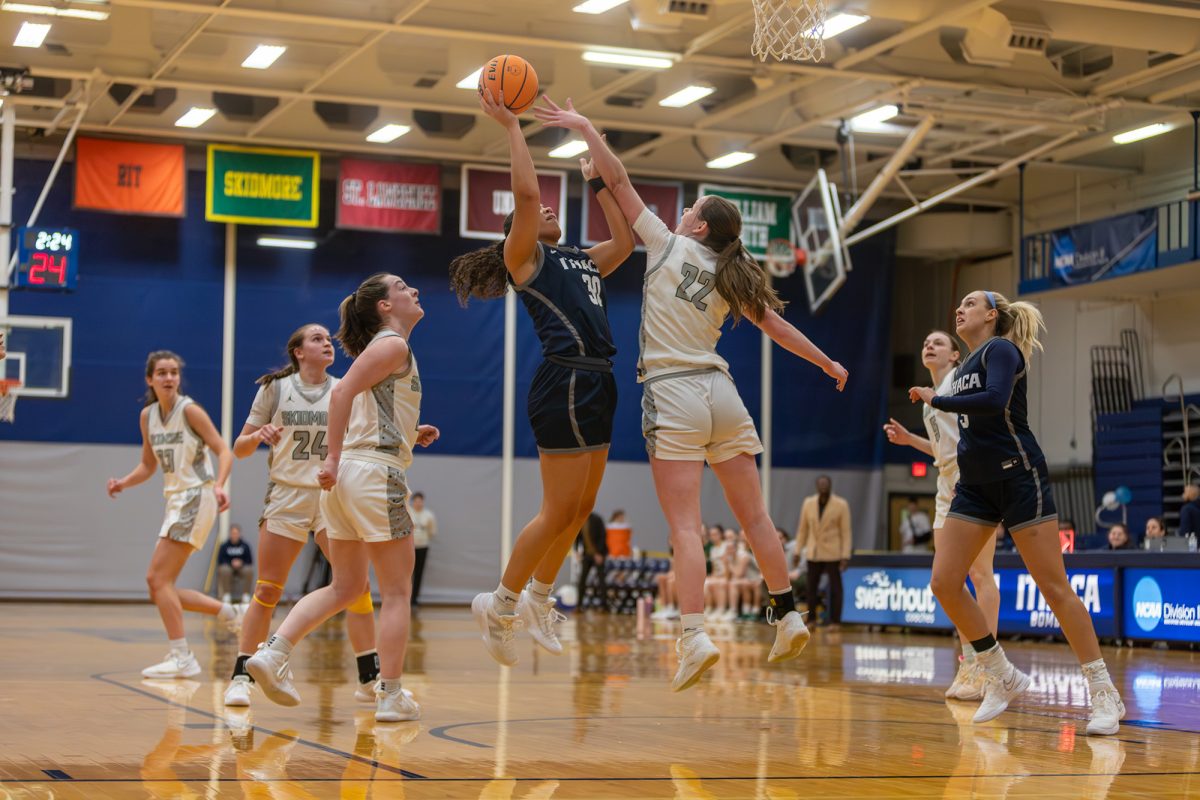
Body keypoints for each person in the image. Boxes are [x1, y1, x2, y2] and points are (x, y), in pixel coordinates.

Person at [536, 96, 848, 691]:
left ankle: (694, 634)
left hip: (674, 391)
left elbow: (621, 179)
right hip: (722, 391)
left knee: (686, 526)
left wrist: (584, 129)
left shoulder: (666, 244)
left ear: (698, 226)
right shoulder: (733, 275)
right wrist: (828, 361)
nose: (679, 214)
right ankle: (787, 615)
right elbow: (779, 330)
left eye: (690, 210)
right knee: (755, 518)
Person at [453, 87, 634, 666]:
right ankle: (500, 603)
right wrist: (511, 127)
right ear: (520, 230)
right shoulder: (526, 259)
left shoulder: (580, 258)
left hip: (600, 381)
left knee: (581, 510)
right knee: (556, 511)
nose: (550, 210)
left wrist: (601, 185)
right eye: (539, 215)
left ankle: (538, 598)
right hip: (565, 381)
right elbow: (528, 192)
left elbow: (628, 242)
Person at [910, 290, 1123, 735]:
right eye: (958, 304)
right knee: (944, 582)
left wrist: (937, 400)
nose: (959, 309)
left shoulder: (1001, 350)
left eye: (969, 303)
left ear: (991, 315)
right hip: (974, 486)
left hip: (1019, 476)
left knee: (1053, 586)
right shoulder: (960, 367)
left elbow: (993, 400)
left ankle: (1103, 692)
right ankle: (1000, 672)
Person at [246, 273, 440, 723]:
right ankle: (389, 695)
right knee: (395, 592)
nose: (414, 289)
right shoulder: (392, 345)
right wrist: (331, 457)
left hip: (351, 477)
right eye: (402, 286)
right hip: (372, 473)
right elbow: (342, 395)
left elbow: (365, 407)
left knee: (347, 587)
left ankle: (274, 654)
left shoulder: (384, 350)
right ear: (384, 307)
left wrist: (409, 432)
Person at [223, 324, 381, 709]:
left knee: (357, 585)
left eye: (329, 339)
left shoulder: (345, 387)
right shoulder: (275, 389)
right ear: (298, 351)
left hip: (332, 494)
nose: (327, 343)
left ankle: (369, 679)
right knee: (267, 590)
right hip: (287, 494)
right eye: (317, 339)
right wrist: (258, 435)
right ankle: (242, 676)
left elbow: (371, 434)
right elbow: (238, 448)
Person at [883, 329, 1002, 702]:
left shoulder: (960, 383)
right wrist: (910, 441)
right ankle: (969, 661)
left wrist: (972, 476)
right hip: (945, 486)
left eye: (937, 342)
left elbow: (974, 435)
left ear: (954, 356)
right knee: (949, 582)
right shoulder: (927, 400)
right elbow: (940, 450)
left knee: (980, 574)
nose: (928, 345)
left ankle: (988, 665)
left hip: (972, 483)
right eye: (925, 342)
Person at [107, 350, 240, 678]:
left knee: (157, 579)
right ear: (149, 379)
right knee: (160, 587)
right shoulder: (147, 416)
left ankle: (183, 657)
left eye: (173, 373)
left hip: (197, 494)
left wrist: (220, 485)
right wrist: (123, 483)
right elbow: (148, 465)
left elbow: (224, 450)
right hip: (177, 500)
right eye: (162, 373)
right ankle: (232, 612)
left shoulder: (190, 410)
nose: (169, 378)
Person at [796, 476, 852, 630]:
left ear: (830, 485)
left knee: (835, 588)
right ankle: (811, 619)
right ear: (816, 486)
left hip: (833, 552)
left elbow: (846, 532)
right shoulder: (808, 503)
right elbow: (802, 529)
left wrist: (845, 555)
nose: (823, 486)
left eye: (825, 484)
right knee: (810, 588)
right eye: (820, 484)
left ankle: (835, 621)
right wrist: (797, 551)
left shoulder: (841, 504)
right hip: (813, 551)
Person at [576, 511, 609, 611]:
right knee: (582, 580)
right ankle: (579, 606)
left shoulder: (597, 519)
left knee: (601, 580)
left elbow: (603, 536)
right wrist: (577, 550)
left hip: (599, 554)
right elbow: (577, 536)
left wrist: (599, 553)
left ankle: (604, 606)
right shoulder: (580, 520)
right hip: (587, 554)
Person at [409, 492, 437, 608]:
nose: (418, 503)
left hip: (423, 547)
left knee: (418, 573)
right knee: (407, 574)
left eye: (420, 501)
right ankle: (405, 598)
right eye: (416, 501)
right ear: (413, 501)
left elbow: (432, 531)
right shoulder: (408, 512)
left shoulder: (428, 515)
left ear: (423, 502)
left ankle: (414, 599)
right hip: (409, 548)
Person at [217, 524, 253, 604]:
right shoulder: (224, 546)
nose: (235, 535)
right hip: (229, 567)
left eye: (236, 533)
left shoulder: (245, 546)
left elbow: (250, 560)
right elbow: (220, 560)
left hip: (241, 567)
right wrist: (231, 562)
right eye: (233, 533)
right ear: (230, 534)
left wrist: (241, 562)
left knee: (249, 570)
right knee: (223, 569)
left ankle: (246, 596)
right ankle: (226, 595)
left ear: (239, 534)